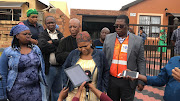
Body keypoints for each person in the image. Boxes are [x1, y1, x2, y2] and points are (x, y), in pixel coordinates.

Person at [103, 15, 146, 101]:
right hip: (112, 80)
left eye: (121, 26)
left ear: (127, 26)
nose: (118, 28)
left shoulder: (137, 40)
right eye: (116, 26)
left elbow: (141, 61)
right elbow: (103, 59)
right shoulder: (108, 38)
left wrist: (141, 81)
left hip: (128, 81)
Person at [0, 25, 47, 101]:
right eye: (25, 34)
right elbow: (2, 74)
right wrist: (2, 95)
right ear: (17, 36)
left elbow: (41, 69)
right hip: (16, 92)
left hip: (35, 91)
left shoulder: (36, 49)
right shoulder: (8, 52)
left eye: (29, 34)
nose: (28, 36)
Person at [62, 31, 109, 101]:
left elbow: (106, 71)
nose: (83, 49)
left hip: (93, 91)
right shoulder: (73, 54)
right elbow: (65, 69)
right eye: (80, 47)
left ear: (90, 42)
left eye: (85, 46)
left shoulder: (99, 55)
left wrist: (104, 88)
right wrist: (65, 86)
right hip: (75, 92)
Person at [38, 16, 64, 101]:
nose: (51, 24)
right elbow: (43, 47)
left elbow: (63, 47)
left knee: (58, 92)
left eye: (52, 22)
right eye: (48, 23)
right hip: (48, 68)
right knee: (45, 92)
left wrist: (52, 42)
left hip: (60, 68)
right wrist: (58, 44)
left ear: (55, 23)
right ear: (45, 24)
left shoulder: (60, 34)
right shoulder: (43, 34)